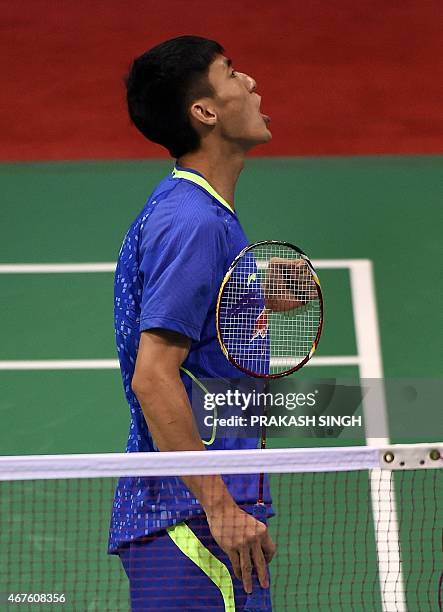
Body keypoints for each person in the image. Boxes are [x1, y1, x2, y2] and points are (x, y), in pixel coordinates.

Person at [108, 35, 275, 611]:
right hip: (194, 522)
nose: (250, 83)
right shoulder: (194, 223)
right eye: (231, 74)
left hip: (199, 510)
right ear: (204, 112)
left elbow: (195, 326)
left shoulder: (197, 211)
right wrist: (220, 507)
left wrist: (253, 295)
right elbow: (153, 377)